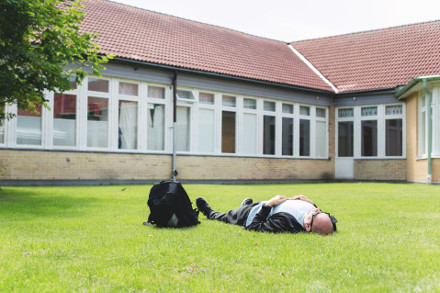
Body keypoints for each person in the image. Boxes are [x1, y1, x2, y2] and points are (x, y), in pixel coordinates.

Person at [196, 195, 337, 235]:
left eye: (315, 214)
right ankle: (244, 205)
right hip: (263, 203)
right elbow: (329, 223)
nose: (315, 210)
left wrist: (269, 205)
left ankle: (210, 213)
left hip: (253, 213)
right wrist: (313, 204)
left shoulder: (285, 223)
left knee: (228, 216)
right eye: (319, 211)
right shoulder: (323, 220)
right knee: (248, 206)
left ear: (307, 227)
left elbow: (253, 227)